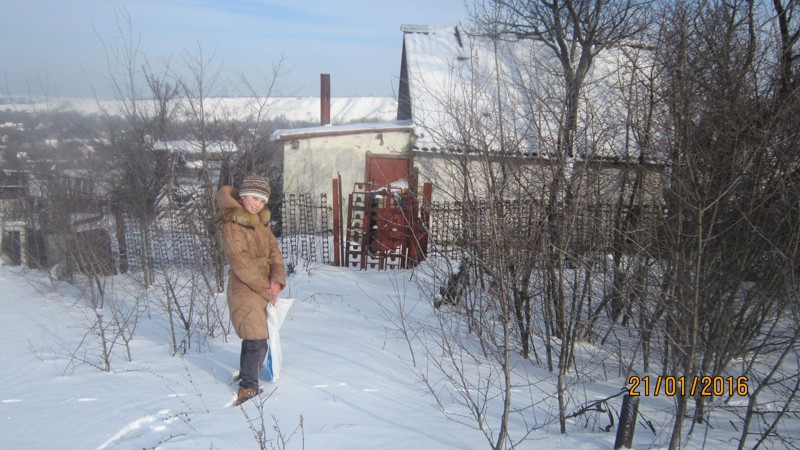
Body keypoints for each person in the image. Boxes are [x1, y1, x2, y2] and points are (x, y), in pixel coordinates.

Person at [216, 175, 286, 406]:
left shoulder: (260, 223)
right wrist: (267, 288)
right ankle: (248, 387)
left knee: (254, 337)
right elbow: (240, 262)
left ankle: (248, 374)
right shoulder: (232, 225)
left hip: (263, 288)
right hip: (245, 289)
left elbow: (274, 251)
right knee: (256, 338)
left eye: (262, 201)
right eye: (254, 198)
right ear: (243, 196)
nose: (257, 204)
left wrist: (276, 278)